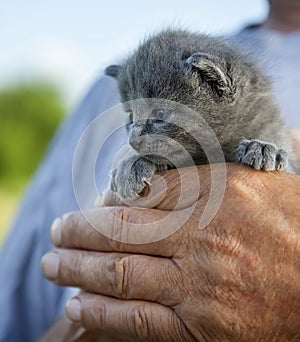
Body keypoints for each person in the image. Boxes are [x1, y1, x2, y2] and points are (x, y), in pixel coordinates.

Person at [0, 0, 300, 340]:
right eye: (131, 118)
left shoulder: (244, 104)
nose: (135, 137)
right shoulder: (101, 95)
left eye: (159, 117)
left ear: (218, 82)